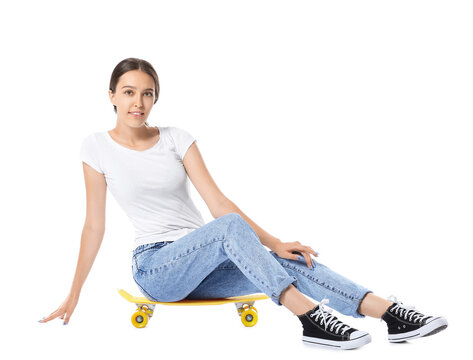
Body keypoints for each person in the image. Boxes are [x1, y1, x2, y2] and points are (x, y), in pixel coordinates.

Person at [39, 57, 448, 350]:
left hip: (211, 260)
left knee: (290, 263)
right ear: (111, 95)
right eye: (129, 92)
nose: (138, 103)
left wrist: (274, 243)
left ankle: (390, 314)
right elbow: (94, 225)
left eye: (148, 94)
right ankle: (308, 318)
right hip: (157, 268)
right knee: (230, 231)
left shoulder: (177, 138)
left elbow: (217, 201)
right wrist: (74, 294)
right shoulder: (95, 147)